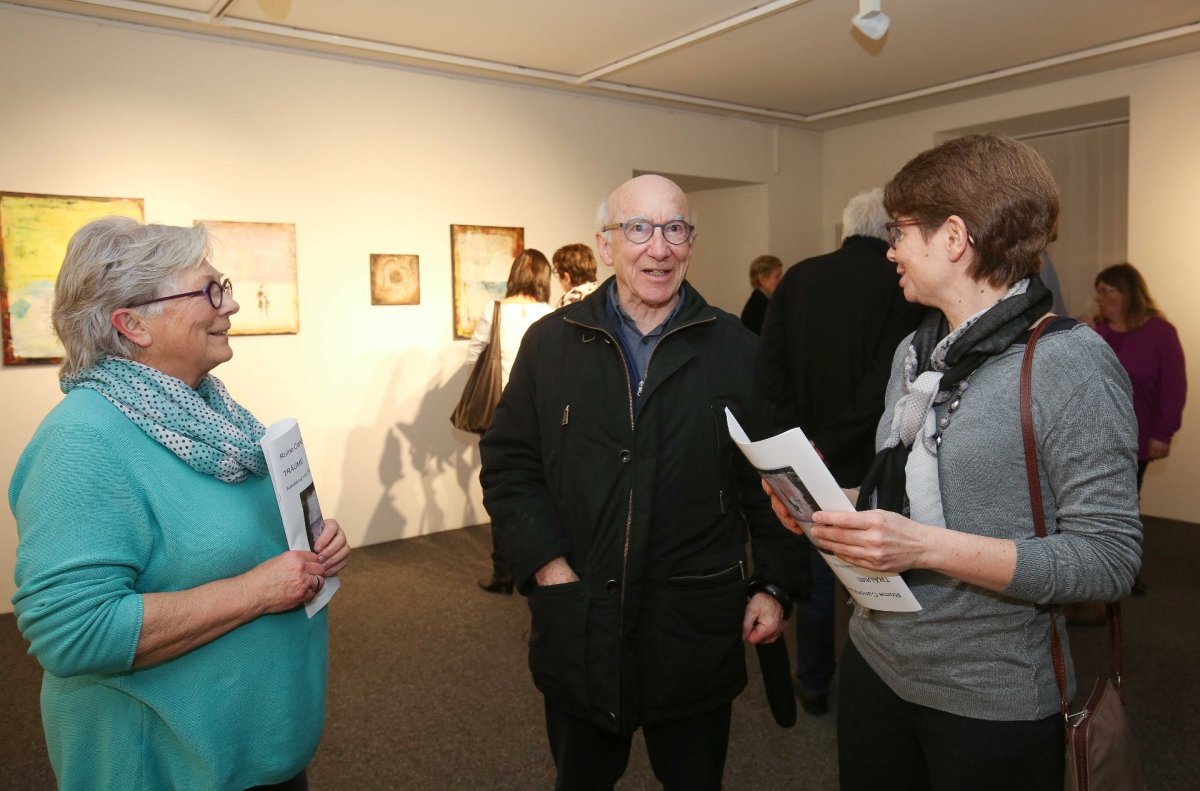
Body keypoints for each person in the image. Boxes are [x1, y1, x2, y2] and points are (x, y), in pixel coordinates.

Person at [766, 134, 1142, 790]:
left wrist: (925, 547)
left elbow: (1109, 559)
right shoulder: (915, 353)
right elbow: (904, 500)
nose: (890, 250)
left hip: (989, 698)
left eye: (900, 231)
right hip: (876, 664)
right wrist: (827, 505)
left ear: (954, 237)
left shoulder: (1068, 363)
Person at [479, 175, 806, 791]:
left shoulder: (737, 349)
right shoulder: (551, 344)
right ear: (605, 245)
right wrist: (548, 567)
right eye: (639, 229)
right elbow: (509, 463)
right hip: (580, 619)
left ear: (691, 243)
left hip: (692, 629)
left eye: (674, 229)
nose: (659, 248)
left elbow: (772, 479)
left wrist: (774, 584)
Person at [10, 217, 350, 790]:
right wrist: (259, 590)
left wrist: (311, 542)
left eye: (225, 286)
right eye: (210, 291)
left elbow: (237, 540)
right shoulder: (82, 441)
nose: (232, 304)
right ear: (132, 324)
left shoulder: (211, 413)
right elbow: (75, 630)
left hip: (252, 748)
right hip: (167, 764)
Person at [756, 187, 926, 716]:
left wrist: (798, 443)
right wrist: (831, 442)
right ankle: (874, 687)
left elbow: (770, 367)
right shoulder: (900, 284)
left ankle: (812, 680)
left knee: (817, 565)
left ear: (849, 226)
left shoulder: (798, 277)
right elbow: (887, 381)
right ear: (889, 232)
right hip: (871, 452)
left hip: (803, 451)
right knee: (878, 572)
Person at [1092, 262, 1187, 598]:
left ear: (1128, 293)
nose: (1100, 298)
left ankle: (1125, 571)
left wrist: (1164, 432)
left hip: (1138, 437)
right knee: (1097, 505)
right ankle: (1098, 570)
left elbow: (1174, 387)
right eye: (1098, 292)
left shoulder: (1161, 333)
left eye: (1107, 291)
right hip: (1096, 436)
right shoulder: (1097, 333)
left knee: (1125, 505)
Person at [469, 248, 554, 593]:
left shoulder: (494, 310)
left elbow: (474, 357)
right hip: (543, 414)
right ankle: (538, 565)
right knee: (541, 488)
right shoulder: (550, 313)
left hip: (499, 412)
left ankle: (503, 572)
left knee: (502, 488)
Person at [739, 254, 782, 334]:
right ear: (762, 278)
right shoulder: (759, 307)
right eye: (777, 276)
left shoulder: (762, 301)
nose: (781, 281)